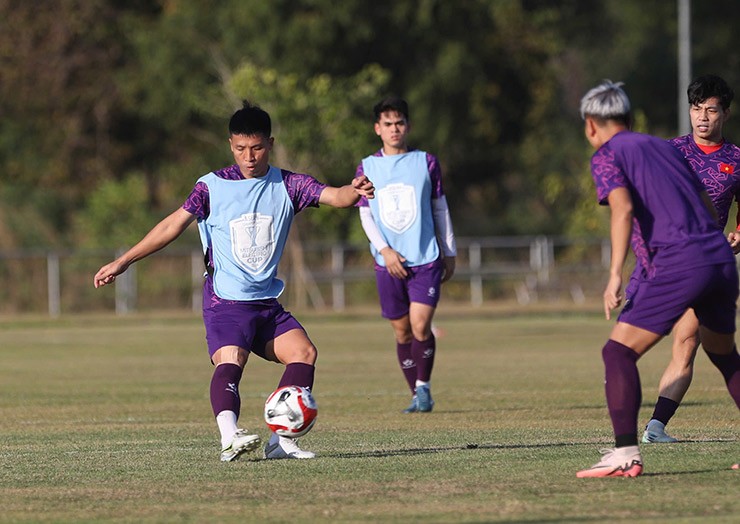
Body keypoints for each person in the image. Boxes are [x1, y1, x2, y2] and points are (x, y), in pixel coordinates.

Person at [94, 101, 375, 462]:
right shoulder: (210, 187)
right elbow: (171, 226)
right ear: (230, 145)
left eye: (257, 147)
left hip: (266, 303)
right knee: (232, 360)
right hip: (226, 300)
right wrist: (124, 261)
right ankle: (229, 437)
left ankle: (280, 442)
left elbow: (336, 195)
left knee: (304, 353)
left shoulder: (289, 184)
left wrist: (355, 190)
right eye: (241, 148)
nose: (249, 156)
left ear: (270, 144)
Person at [576, 80, 740, 478]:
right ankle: (647, 434)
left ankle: (624, 454)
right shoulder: (656, 146)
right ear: (630, 119)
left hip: (681, 260)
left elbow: (622, 210)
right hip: (719, 257)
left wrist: (615, 274)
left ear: (590, 126)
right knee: (724, 356)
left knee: (617, 353)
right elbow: (702, 198)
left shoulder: (608, 155)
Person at [642, 74, 740, 443]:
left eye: (711, 110)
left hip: (712, 264)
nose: (702, 117)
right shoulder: (671, 152)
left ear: (725, 114)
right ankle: (654, 426)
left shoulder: (736, 159)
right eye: (696, 109)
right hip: (675, 259)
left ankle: (655, 426)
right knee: (699, 345)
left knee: (689, 342)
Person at [354, 96, 457, 413]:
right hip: (388, 263)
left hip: (424, 257)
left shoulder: (426, 162)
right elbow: (365, 214)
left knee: (420, 325)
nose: (394, 128)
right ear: (378, 129)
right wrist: (385, 251)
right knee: (401, 331)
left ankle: (424, 388)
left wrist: (449, 251)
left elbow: (439, 207)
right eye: (388, 124)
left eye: (399, 123)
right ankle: (416, 394)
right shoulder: (367, 167)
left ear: (407, 126)